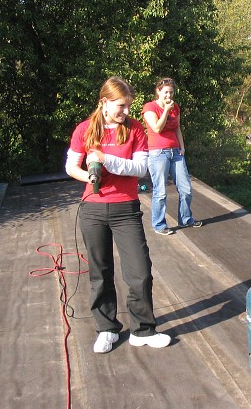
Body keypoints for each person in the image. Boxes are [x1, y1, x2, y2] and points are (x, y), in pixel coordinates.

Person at [65, 76, 171, 353]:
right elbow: (70, 166)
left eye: (128, 106)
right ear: (104, 103)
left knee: (139, 271)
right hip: (93, 209)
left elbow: (140, 169)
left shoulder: (135, 129)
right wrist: (90, 177)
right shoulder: (85, 129)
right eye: (121, 106)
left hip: (126, 209)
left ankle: (143, 330)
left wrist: (105, 160)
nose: (126, 112)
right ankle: (106, 328)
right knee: (100, 272)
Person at [142, 77, 202, 235]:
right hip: (158, 153)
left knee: (186, 188)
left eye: (171, 92)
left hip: (176, 152)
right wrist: (166, 111)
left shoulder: (175, 107)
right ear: (158, 91)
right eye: (166, 92)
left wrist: (182, 147)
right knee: (160, 191)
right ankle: (159, 225)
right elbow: (157, 128)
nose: (169, 96)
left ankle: (186, 219)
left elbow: (177, 129)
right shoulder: (150, 107)